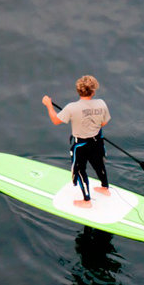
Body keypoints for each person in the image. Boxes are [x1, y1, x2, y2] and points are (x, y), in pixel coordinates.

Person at [42, 75, 111, 208]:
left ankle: (87, 201)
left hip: (81, 146)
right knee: (99, 165)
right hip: (97, 142)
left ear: (78, 90)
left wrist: (49, 105)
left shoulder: (71, 108)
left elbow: (56, 120)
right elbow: (104, 122)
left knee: (80, 170)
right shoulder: (101, 103)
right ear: (93, 91)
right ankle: (105, 188)